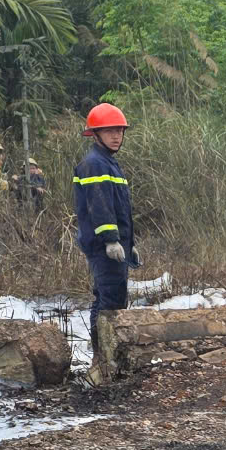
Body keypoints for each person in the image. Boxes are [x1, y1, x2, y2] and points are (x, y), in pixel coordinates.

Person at [74, 102, 138, 382]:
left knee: (108, 300)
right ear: (96, 134)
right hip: (104, 248)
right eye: (110, 131)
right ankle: (104, 363)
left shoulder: (110, 163)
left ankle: (104, 361)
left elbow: (120, 209)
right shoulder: (95, 164)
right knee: (110, 304)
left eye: (120, 131)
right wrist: (112, 240)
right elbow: (99, 207)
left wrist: (129, 241)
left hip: (115, 246)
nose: (116, 136)